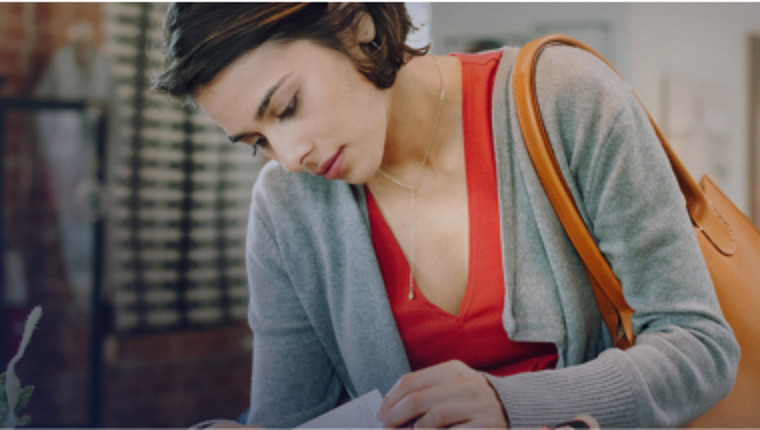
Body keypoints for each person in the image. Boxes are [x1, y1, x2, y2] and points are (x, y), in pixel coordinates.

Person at [154, 3, 739, 428]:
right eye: (256, 140)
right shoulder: (285, 209)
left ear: (354, 22)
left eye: (287, 107)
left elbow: (700, 346)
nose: (289, 156)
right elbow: (292, 418)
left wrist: (513, 407)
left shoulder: (568, 98)